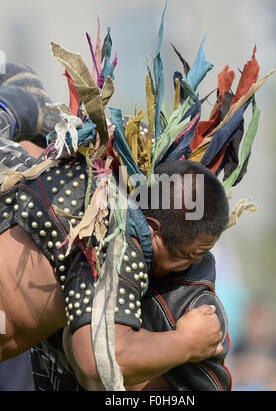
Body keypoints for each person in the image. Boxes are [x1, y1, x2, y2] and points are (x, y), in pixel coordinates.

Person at [0, 61, 230, 391]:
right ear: (154, 229)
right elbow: (99, 357)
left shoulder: (77, 186)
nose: (195, 263)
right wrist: (187, 342)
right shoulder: (116, 234)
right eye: (192, 254)